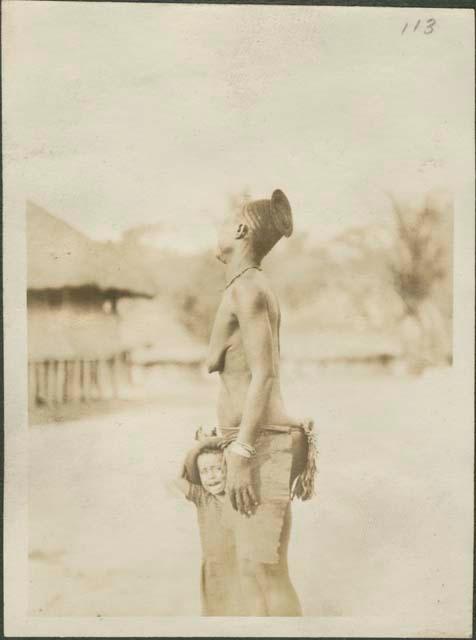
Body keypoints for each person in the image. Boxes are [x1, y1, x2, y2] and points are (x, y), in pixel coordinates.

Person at [206, 189, 317, 616]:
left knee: (264, 572)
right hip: (253, 440)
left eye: (224, 220)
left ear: (238, 230)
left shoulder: (249, 288)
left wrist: (241, 450)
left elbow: (264, 373)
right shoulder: (242, 286)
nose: (217, 227)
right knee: (256, 570)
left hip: (261, 443)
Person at [174, 435, 244, 616]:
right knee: (217, 615)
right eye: (204, 471)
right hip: (214, 570)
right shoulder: (202, 497)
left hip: (242, 568)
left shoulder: (240, 495)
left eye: (217, 469)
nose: (210, 476)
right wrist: (203, 444)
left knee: (243, 613)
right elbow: (178, 479)